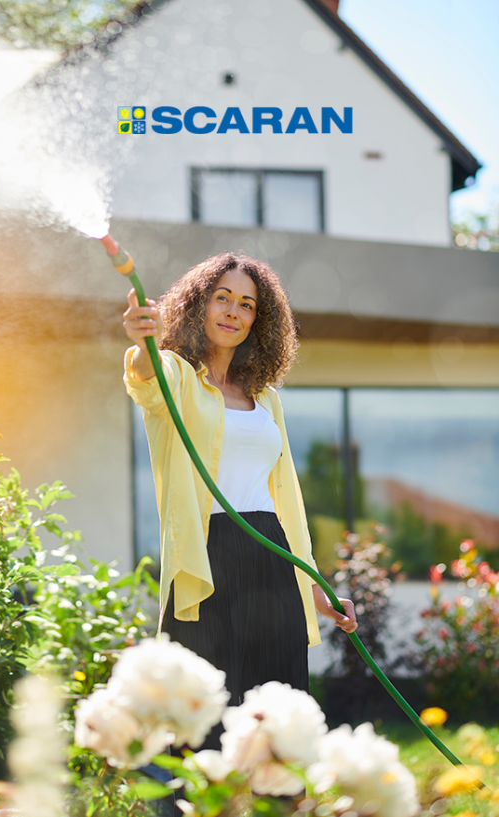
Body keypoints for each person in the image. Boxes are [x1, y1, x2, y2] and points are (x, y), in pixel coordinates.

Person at [122, 251, 357, 749]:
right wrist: (143, 340)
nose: (233, 312)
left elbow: (286, 502)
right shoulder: (177, 376)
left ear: (259, 320)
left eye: (246, 305)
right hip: (207, 560)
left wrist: (314, 585)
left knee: (277, 720)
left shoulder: (265, 398)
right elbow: (146, 379)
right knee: (205, 719)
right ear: (198, 305)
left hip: (272, 555)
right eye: (222, 298)